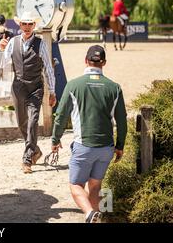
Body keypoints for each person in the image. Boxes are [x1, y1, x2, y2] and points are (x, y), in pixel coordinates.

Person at [51, 45, 127, 223]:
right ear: (104, 63)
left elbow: (60, 116)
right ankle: (96, 216)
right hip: (106, 148)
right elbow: (122, 121)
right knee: (96, 184)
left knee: (76, 185)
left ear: (85, 61)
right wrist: (120, 146)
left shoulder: (73, 85)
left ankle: (89, 213)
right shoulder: (114, 88)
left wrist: (55, 139)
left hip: (83, 146)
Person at [0, 10, 56, 173]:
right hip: (18, 87)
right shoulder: (13, 42)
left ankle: (27, 159)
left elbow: (49, 69)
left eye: (30, 24)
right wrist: (1, 50)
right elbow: (1, 65)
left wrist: (52, 91)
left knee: (32, 121)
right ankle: (35, 149)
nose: (27, 26)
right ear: (20, 25)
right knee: (22, 122)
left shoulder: (40, 44)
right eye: (25, 23)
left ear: (34, 25)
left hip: (36, 88)